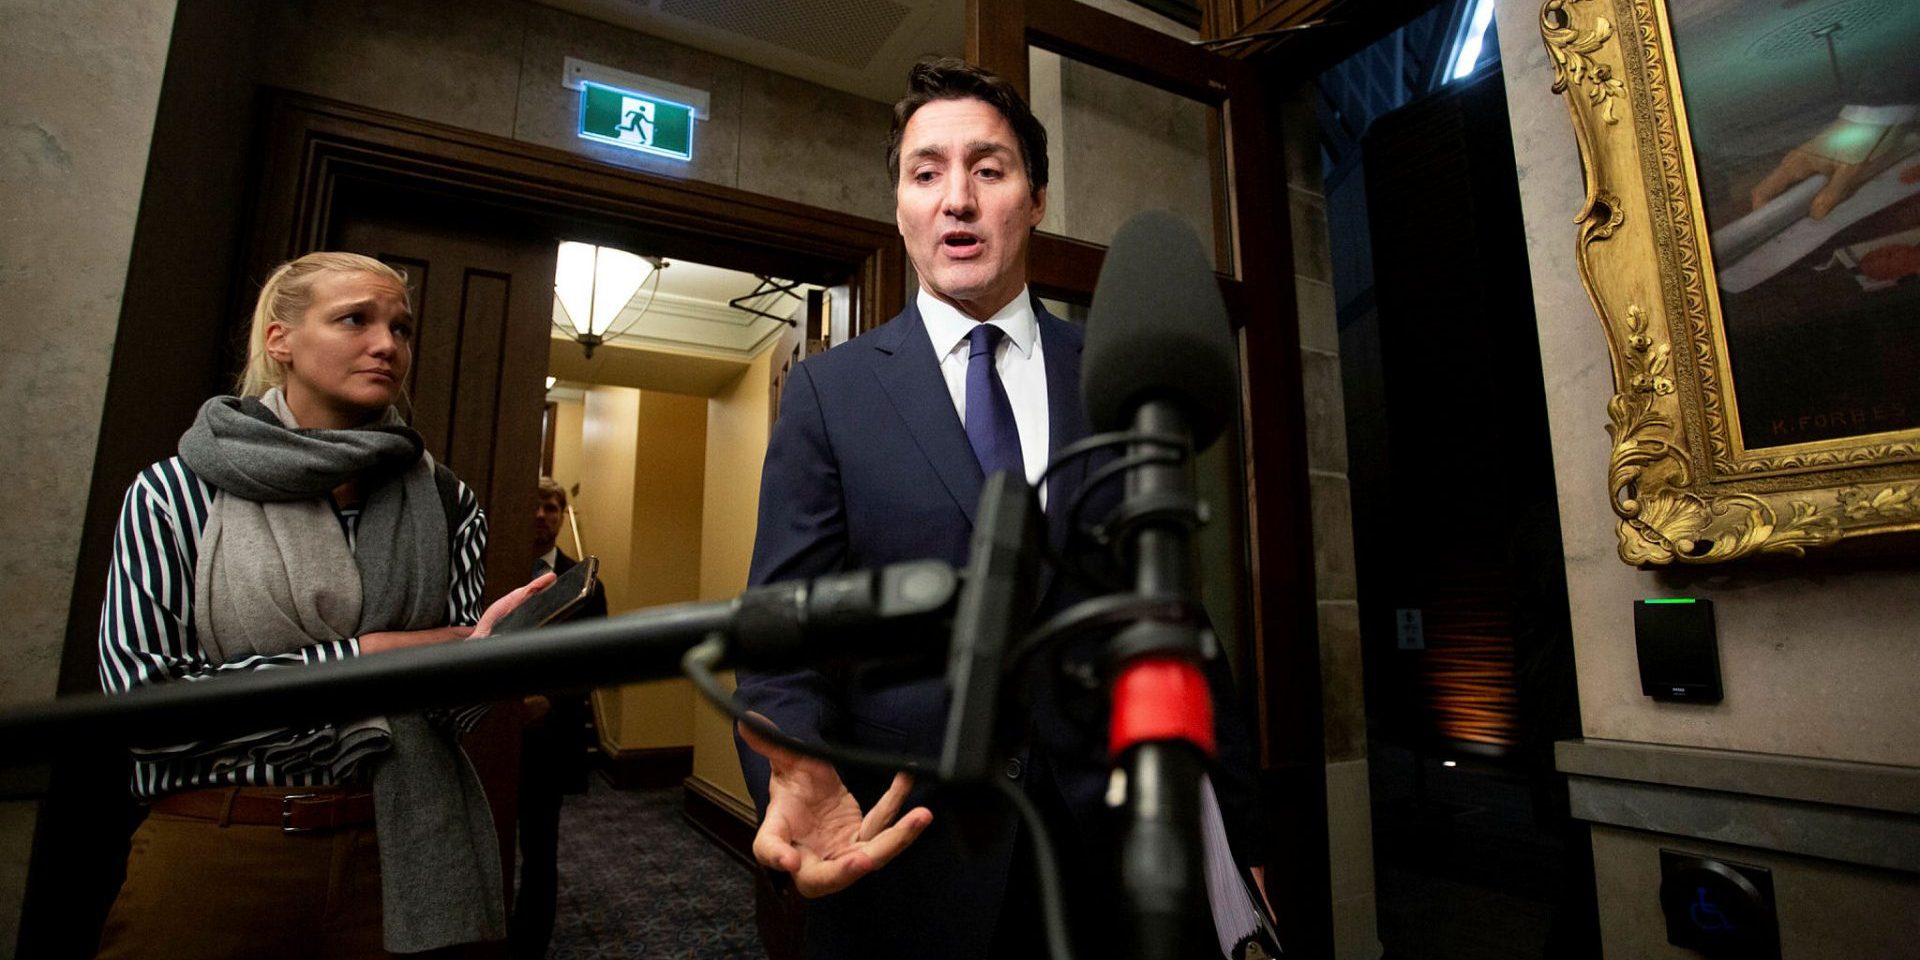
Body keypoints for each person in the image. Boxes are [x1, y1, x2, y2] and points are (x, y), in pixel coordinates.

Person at [733, 57, 1267, 959]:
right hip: (909, 862)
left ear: (1035, 198)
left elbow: (1177, 621)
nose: (958, 199)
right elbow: (780, 635)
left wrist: (1237, 838)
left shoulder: (1114, 376)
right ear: (900, 205)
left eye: (989, 168)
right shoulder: (832, 394)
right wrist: (791, 768)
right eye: (926, 172)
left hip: (1112, 863)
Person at [95, 251, 552, 959]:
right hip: (220, 845)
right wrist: (364, 659)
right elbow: (145, 709)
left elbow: (440, 716)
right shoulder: (179, 493)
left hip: (398, 851)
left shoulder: (445, 501)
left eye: (401, 328)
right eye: (355, 320)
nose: (386, 345)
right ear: (281, 341)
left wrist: (490, 659)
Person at [509, 476, 607, 960]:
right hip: (487, 738)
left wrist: (550, 699)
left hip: (548, 739)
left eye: (552, 507)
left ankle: (530, 945)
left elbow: (593, 663)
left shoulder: (585, 583)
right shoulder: (491, 569)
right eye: (535, 505)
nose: (543, 515)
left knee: (540, 851)